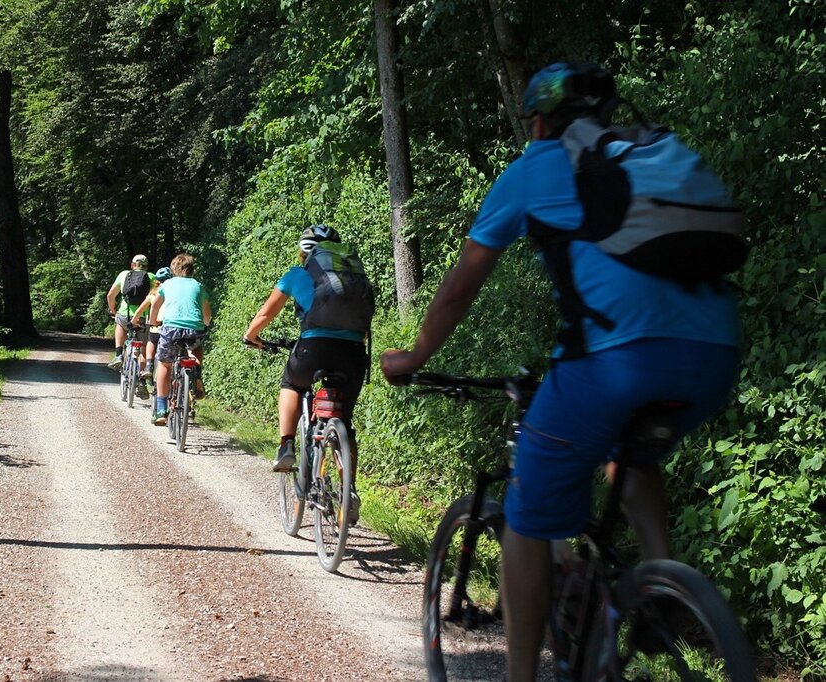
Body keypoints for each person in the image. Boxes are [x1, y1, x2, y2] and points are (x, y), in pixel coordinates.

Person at [380, 62, 740, 682]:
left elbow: (459, 288)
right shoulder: (649, 155)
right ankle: (660, 586)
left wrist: (411, 358)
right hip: (713, 356)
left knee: (528, 517)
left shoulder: (535, 168)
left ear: (539, 121)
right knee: (629, 453)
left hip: (614, 363)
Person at [243, 224, 370, 524]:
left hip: (313, 348)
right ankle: (348, 488)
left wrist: (251, 336)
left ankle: (286, 445)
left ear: (304, 252)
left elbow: (265, 314)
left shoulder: (297, 275)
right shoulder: (354, 276)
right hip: (353, 352)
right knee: (345, 423)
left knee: (291, 383)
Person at [148, 253, 212, 426]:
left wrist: (153, 321)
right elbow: (207, 314)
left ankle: (161, 409)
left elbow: (155, 305)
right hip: (194, 329)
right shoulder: (199, 286)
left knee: (164, 364)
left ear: (173, 269)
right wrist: (204, 324)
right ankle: (196, 373)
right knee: (197, 347)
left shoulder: (167, 284)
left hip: (171, 329)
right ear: (192, 269)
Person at [106, 254, 156, 371]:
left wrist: (113, 310)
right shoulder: (152, 277)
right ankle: (142, 380)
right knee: (143, 348)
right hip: (144, 317)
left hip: (125, 314)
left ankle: (118, 355)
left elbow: (110, 296)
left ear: (133, 265)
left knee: (120, 324)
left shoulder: (123, 275)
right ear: (146, 266)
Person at [132, 266, 173, 384]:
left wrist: (134, 321)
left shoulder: (153, 294)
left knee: (151, 341)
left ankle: (149, 365)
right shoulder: (173, 294)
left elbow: (139, 311)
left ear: (157, 281)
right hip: (171, 327)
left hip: (156, 327)